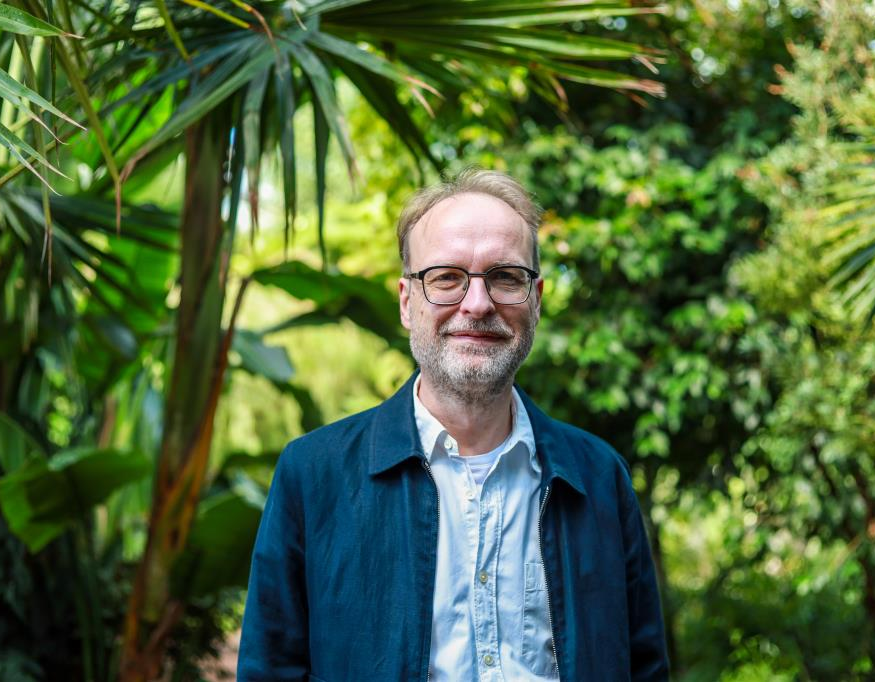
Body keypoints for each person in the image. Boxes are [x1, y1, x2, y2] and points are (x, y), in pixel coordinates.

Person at [237, 168, 669, 681]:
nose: (478, 304)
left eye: (505, 277)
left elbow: (645, 669)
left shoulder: (599, 478)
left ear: (536, 299)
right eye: (446, 277)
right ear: (407, 301)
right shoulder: (313, 476)